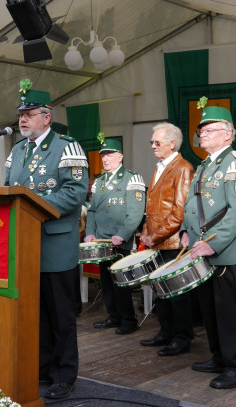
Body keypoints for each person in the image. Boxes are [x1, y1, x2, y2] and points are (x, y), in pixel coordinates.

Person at [5, 80, 88, 401]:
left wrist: (34, 205)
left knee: (61, 316)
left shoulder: (67, 147)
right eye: (20, 115)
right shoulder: (17, 150)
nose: (23, 119)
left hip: (55, 247)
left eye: (29, 114)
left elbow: (75, 193)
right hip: (25, 248)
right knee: (35, 314)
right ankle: (41, 367)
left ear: (47, 117)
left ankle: (65, 374)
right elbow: (8, 190)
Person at [181, 98, 236, 389]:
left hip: (222, 252)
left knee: (229, 313)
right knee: (209, 310)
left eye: (209, 130)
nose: (202, 134)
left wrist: (215, 244)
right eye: (201, 131)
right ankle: (219, 357)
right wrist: (186, 232)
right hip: (200, 248)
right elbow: (192, 203)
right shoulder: (204, 166)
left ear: (228, 134)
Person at [139, 123, 195, 356]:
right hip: (157, 242)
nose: (153, 146)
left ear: (172, 144)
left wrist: (153, 236)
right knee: (161, 292)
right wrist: (145, 232)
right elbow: (151, 207)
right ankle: (165, 332)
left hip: (172, 243)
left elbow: (179, 213)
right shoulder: (160, 167)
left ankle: (182, 338)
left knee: (177, 294)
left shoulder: (183, 168)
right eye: (152, 142)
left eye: (157, 142)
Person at [85, 134, 145, 336]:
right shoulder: (99, 182)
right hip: (101, 240)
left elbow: (135, 213)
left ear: (120, 156)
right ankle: (113, 316)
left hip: (119, 241)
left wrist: (123, 235)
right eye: (103, 155)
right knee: (106, 281)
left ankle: (129, 319)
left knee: (121, 282)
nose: (105, 158)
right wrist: (90, 233)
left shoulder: (132, 178)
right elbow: (92, 210)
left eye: (109, 154)